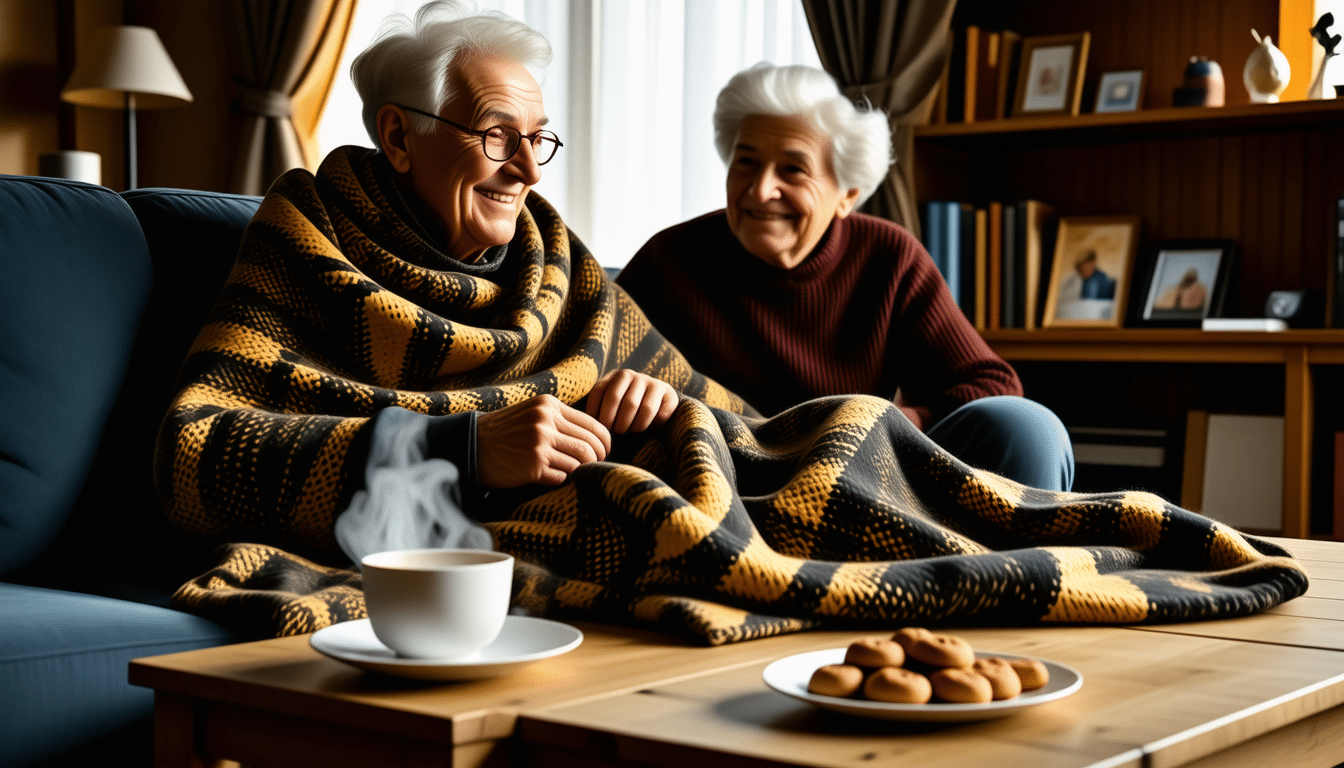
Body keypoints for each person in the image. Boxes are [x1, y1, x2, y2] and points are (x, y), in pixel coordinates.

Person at [157, 3, 1305, 644]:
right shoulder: (304, 240)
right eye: (493, 133)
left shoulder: (563, 264)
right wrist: (470, 446)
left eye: (535, 140)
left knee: (937, 430)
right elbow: (197, 458)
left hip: (662, 487)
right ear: (400, 137)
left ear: (843, 188)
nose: (521, 167)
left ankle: (1047, 581)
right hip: (504, 534)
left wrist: (655, 411)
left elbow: (727, 426)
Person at [617, 63, 1073, 491]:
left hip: (857, 482)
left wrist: (894, 420)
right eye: (746, 162)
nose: (760, 189)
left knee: (1029, 427)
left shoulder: (886, 257)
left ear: (847, 194)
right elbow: (588, 359)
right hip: (718, 480)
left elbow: (992, 382)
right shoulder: (672, 257)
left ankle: (1023, 575)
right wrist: (636, 387)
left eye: (792, 170)